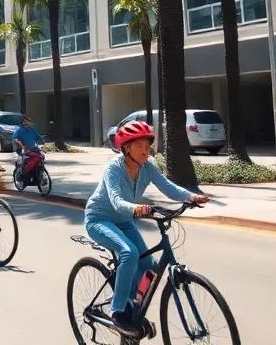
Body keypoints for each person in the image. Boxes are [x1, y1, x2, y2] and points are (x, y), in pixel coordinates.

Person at [85, 121, 209, 335]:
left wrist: (191, 197)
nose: (145, 150)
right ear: (126, 148)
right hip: (99, 218)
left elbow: (167, 187)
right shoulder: (113, 168)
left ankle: (133, 306)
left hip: (124, 221)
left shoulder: (148, 166)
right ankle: (118, 311)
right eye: (139, 146)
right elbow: (115, 200)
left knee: (149, 267)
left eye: (147, 146)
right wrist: (137, 208)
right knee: (129, 253)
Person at [13, 114, 45, 181]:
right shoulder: (19, 130)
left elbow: (39, 138)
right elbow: (16, 139)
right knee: (27, 161)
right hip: (23, 149)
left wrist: (43, 145)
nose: (26, 123)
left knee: (41, 158)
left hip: (33, 148)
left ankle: (39, 175)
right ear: (22, 122)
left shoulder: (32, 130)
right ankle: (24, 173)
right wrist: (22, 146)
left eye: (27, 121)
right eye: (24, 121)